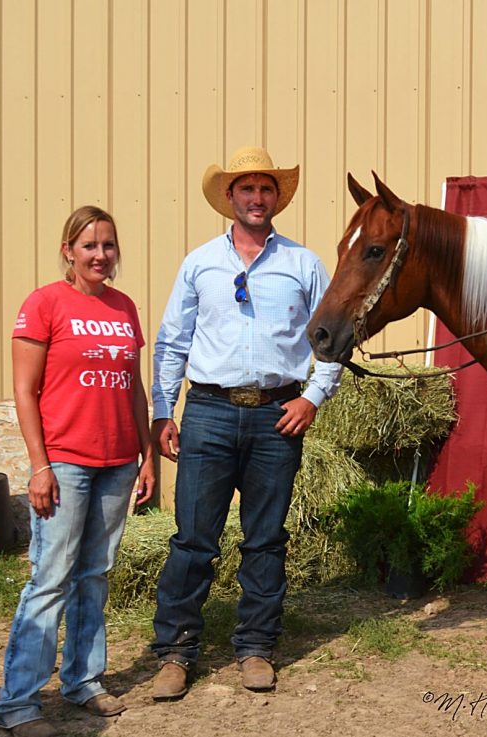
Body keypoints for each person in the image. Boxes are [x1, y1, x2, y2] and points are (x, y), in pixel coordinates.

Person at [148, 146, 342, 700]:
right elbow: (172, 343)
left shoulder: (303, 264)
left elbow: (330, 340)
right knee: (192, 540)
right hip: (207, 412)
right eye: (246, 189)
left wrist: (312, 399)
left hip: (277, 417)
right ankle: (176, 653)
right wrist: (164, 411)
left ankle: (256, 645)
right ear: (229, 198)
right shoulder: (199, 263)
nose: (257, 198)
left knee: (265, 539)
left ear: (276, 197)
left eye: (265, 188)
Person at [0, 206, 155, 737]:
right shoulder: (44, 304)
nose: (101, 256)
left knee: (95, 575)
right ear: (69, 250)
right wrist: (38, 466)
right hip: (64, 461)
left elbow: (132, 387)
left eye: (108, 246)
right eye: (89, 246)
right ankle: (18, 702)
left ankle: (83, 680)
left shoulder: (124, 308)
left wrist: (146, 453)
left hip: (116, 463)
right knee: (51, 577)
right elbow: (24, 390)